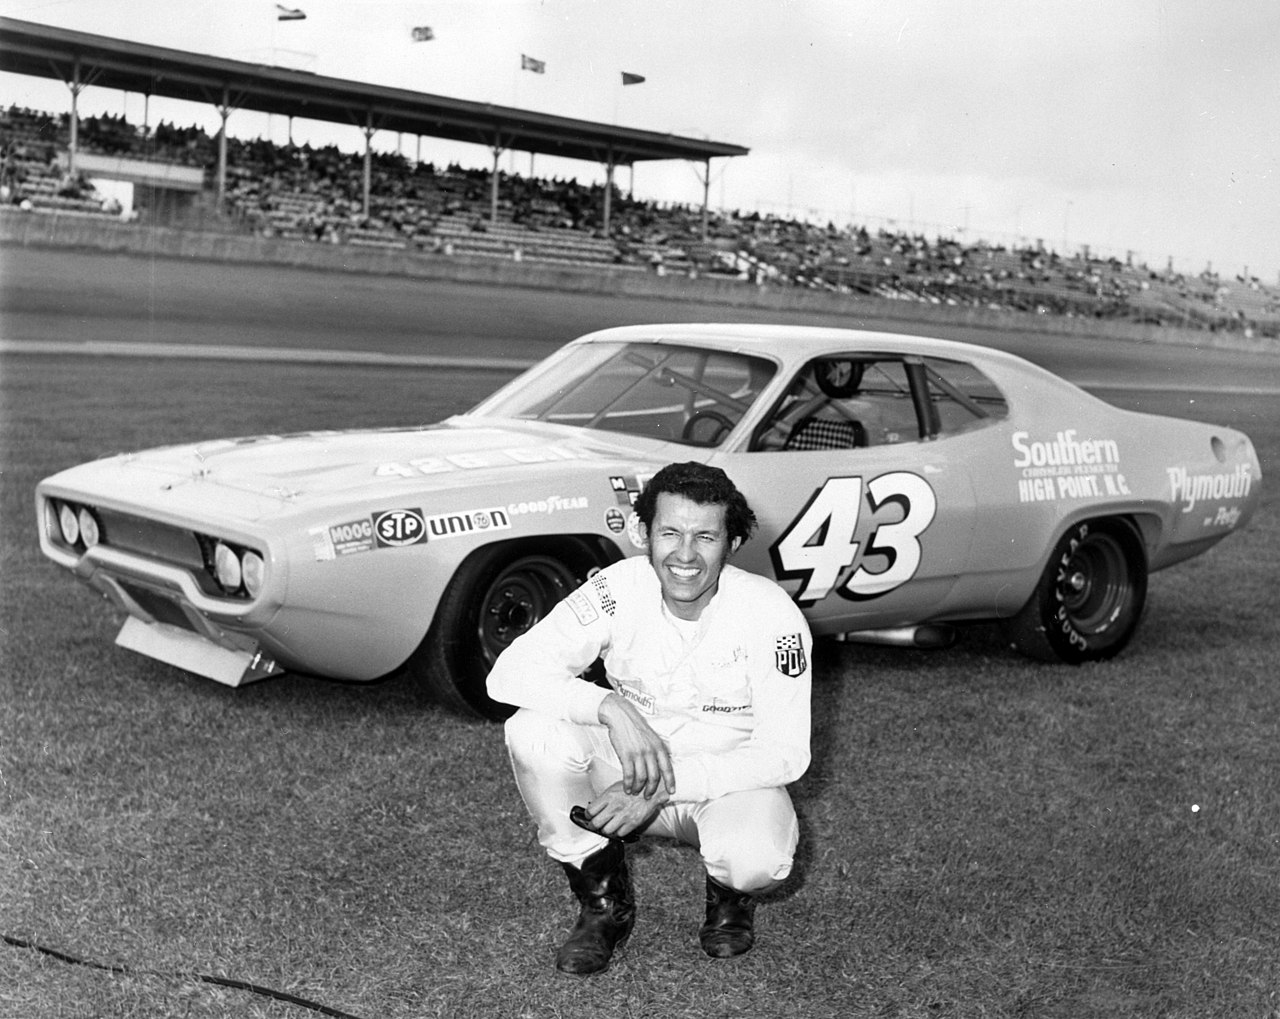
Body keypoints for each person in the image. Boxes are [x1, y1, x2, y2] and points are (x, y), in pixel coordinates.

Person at [487, 461, 812, 974]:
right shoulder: (617, 587)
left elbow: (786, 752)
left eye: (706, 536)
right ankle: (603, 905)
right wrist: (609, 707)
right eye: (670, 532)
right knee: (533, 730)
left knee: (759, 858)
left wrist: (661, 786)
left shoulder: (771, 614)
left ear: (733, 542)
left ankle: (729, 897)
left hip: (718, 785)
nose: (685, 555)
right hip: (624, 771)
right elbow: (507, 674)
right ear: (643, 533)